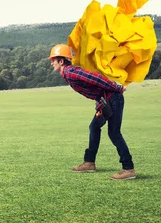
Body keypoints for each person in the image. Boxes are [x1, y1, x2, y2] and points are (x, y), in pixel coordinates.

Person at [48, 44, 136, 180]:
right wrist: (99, 104)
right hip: (106, 100)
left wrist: (116, 88)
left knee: (114, 133)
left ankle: (128, 169)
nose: (51, 63)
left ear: (61, 61)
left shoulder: (70, 72)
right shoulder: (68, 74)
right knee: (94, 127)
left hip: (113, 98)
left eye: (53, 60)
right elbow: (94, 88)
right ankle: (89, 163)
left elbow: (95, 78)